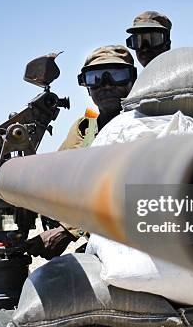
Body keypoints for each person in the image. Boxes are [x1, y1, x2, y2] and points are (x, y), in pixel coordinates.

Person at [28, 45, 137, 259]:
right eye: (95, 77)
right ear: (85, 86)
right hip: (99, 240)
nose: (106, 85)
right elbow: (56, 172)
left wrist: (68, 230)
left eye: (116, 75)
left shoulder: (146, 125)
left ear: (133, 81)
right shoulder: (84, 128)